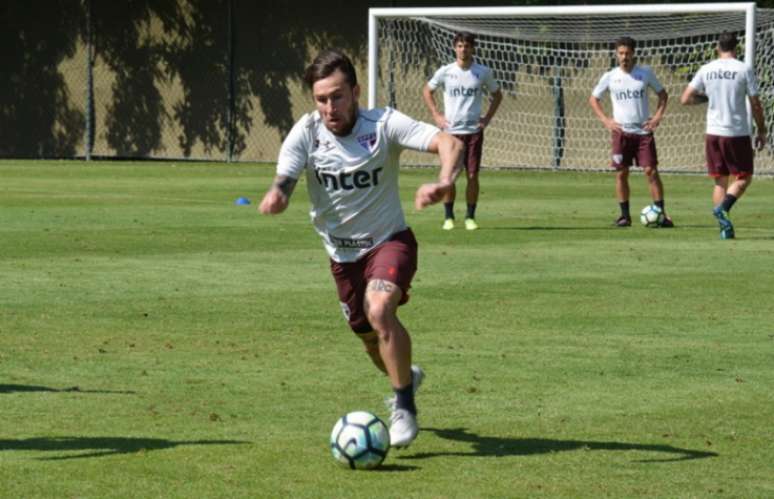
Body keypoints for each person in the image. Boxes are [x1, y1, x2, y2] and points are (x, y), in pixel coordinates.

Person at [259, 49, 463, 448]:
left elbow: (448, 141)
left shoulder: (383, 123)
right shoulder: (306, 132)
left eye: (337, 96)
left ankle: (404, 406)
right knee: (370, 338)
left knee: (380, 307)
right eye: (321, 99)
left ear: (355, 91)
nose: (329, 107)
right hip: (342, 257)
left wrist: (443, 180)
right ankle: (405, 375)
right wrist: (279, 195)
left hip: (390, 241)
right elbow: (285, 177)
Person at [680, 31, 767, 239]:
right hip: (736, 132)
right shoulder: (743, 68)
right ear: (736, 48)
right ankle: (723, 208)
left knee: (720, 181)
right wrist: (762, 129)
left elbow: (685, 98)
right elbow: (755, 103)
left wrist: (707, 99)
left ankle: (724, 229)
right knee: (744, 177)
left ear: (717, 48)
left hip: (713, 132)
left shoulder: (706, 69)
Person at [589, 36, 674, 228]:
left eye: (627, 53)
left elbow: (663, 95)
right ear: (616, 54)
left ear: (633, 53)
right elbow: (594, 99)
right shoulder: (610, 76)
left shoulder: (645, 73)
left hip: (643, 132)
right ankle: (624, 216)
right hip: (621, 133)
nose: (624, 56)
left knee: (651, 171)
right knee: (621, 173)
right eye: (620, 53)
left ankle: (661, 214)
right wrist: (606, 120)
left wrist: (658, 116)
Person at [422, 31, 503, 231]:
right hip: (451, 133)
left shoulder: (482, 72)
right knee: (449, 176)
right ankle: (448, 217)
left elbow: (497, 95)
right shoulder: (446, 71)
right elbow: (427, 90)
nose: (463, 49)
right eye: (459, 45)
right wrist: (436, 115)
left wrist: (487, 119)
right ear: (454, 47)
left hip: (473, 132)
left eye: (466, 45)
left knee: (473, 176)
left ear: (473, 48)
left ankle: (470, 216)